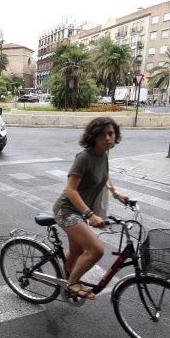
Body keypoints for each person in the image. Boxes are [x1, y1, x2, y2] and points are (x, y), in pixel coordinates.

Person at [52, 117, 128, 301]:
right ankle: (73, 283)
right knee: (96, 250)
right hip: (67, 210)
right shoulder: (84, 158)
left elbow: (104, 176)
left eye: (111, 133)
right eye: (102, 134)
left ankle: (65, 279)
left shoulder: (104, 155)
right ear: (93, 136)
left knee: (77, 251)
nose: (108, 138)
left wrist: (116, 193)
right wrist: (90, 215)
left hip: (79, 211)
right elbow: (70, 190)